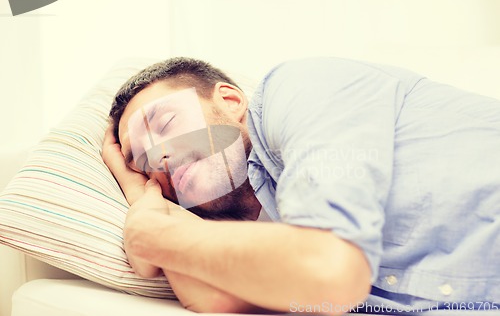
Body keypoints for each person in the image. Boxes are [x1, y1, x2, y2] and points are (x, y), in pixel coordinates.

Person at [102, 57, 500, 315]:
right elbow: (217, 301)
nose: (161, 158)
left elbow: (329, 271)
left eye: (166, 124)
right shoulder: (273, 223)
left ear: (230, 100)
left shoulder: (300, 88)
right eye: (143, 160)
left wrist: (150, 237)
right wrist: (140, 195)